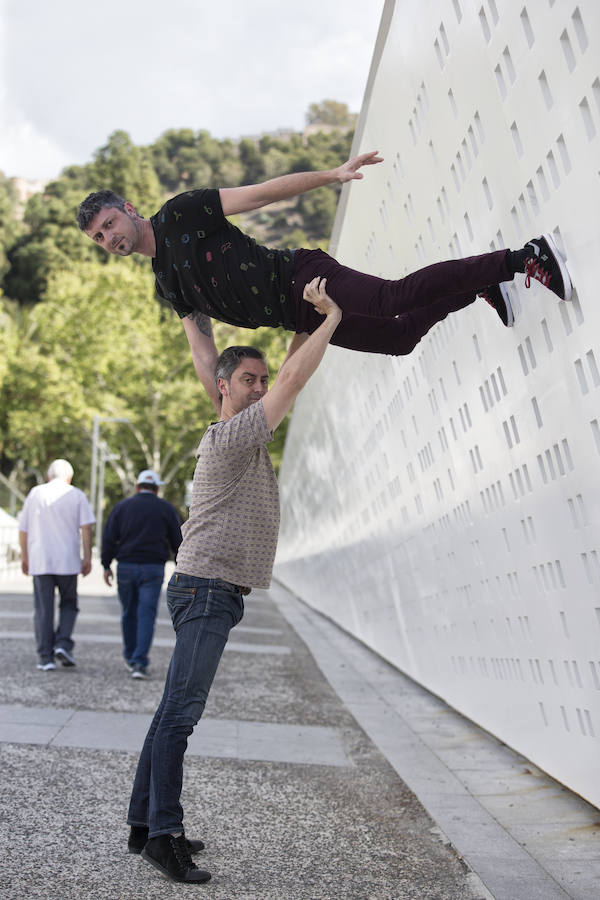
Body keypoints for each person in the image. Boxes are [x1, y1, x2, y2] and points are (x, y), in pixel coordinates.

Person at [125, 277, 341, 885]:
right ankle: (163, 837)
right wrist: (332, 320)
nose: (263, 387)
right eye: (249, 380)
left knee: (170, 710)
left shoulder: (235, 433)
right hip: (207, 588)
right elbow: (296, 380)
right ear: (225, 389)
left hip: (208, 587)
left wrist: (193, 312)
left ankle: (144, 824)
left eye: (261, 379)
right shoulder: (237, 434)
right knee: (180, 717)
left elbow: (237, 364)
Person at [77, 152, 573, 412]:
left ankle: (522, 257)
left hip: (300, 275)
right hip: (299, 316)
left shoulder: (181, 213)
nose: (109, 238)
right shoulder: (165, 282)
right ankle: (475, 286)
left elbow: (260, 195)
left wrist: (332, 175)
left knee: (390, 298)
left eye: (110, 225)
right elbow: (202, 351)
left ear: (129, 210)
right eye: (99, 237)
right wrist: (224, 414)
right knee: (399, 340)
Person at [101, 469, 183, 680]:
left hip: (126, 567)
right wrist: (180, 566)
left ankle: (130, 656)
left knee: (128, 612)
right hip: (152, 569)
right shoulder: (166, 509)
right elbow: (177, 540)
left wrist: (106, 564)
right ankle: (139, 662)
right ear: (156, 489)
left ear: (137, 487)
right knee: (146, 615)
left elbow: (109, 537)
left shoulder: (122, 507)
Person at [18, 459, 95, 670]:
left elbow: (23, 529)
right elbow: (86, 528)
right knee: (69, 604)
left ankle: (45, 657)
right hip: (68, 561)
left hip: (40, 559)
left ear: (48, 476)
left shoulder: (35, 493)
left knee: (44, 609)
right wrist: (87, 556)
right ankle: (62, 643)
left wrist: (25, 557)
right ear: (69, 477)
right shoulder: (77, 495)